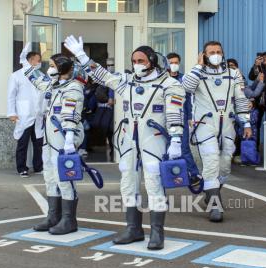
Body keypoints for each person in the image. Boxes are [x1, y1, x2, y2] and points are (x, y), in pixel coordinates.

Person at [65, 35, 185, 250]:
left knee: (153, 182)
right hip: (129, 139)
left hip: (154, 140)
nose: (137, 65)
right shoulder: (126, 82)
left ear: (152, 61)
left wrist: (176, 139)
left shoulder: (169, 84)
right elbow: (102, 75)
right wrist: (82, 56)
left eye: (141, 61)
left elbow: (175, 113)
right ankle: (133, 228)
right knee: (128, 182)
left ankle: (157, 233)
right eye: (134, 61)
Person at [19, 43, 86, 235]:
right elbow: (35, 79)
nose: (49, 69)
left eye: (52, 66)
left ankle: (69, 220)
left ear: (63, 69)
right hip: (49, 138)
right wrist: (24, 63)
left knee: (64, 178)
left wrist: (69, 139)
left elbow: (71, 113)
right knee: (49, 175)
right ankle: (53, 216)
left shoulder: (73, 88)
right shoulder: (53, 85)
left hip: (64, 138)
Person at [183, 41, 252, 222]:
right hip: (204, 125)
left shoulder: (233, 73)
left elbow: (241, 99)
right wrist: (199, 65)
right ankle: (215, 206)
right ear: (204, 55)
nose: (215, 54)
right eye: (211, 52)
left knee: (225, 167)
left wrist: (246, 123)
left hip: (227, 126)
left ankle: (210, 190)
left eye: (218, 51)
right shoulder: (197, 74)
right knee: (211, 160)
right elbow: (186, 87)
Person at [7, 51, 44, 177]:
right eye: (37, 60)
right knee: (22, 143)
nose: (39, 63)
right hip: (23, 115)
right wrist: (12, 113)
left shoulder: (40, 75)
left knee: (38, 142)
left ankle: (38, 167)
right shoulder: (16, 76)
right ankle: (22, 168)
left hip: (38, 115)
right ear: (30, 60)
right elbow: (11, 96)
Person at [167, 52, 202, 185]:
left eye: (176, 62)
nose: (174, 65)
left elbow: (187, 100)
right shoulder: (162, 79)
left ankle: (194, 174)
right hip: (166, 118)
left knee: (184, 147)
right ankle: (169, 175)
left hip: (182, 117)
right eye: (171, 62)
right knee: (166, 147)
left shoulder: (184, 79)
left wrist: (189, 116)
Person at [248, 52, 266, 148]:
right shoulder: (259, 67)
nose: (264, 59)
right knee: (256, 123)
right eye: (263, 57)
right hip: (258, 99)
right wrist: (256, 65)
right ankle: (255, 148)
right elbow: (251, 77)